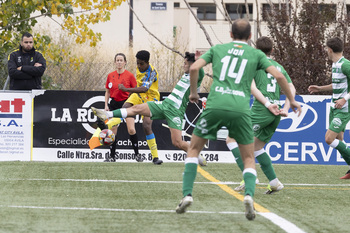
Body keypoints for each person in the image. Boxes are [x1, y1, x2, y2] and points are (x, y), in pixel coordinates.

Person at [175, 19, 301, 221]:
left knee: (194, 149)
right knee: (250, 157)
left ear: (231, 34)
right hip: (241, 109)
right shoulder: (256, 54)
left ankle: (187, 194)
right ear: (250, 37)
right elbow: (279, 76)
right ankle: (250, 195)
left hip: (215, 105)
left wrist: (193, 93)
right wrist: (291, 101)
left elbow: (193, 69)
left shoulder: (218, 49)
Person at [91, 52, 207, 166]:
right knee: (136, 108)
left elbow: (198, 69)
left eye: (185, 63)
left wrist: (198, 59)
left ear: (192, 65)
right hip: (165, 104)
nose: (183, 65)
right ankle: (107, 115)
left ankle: (195, 153)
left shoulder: (196, 75)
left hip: (174, 110)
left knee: (177, 142)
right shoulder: (185, 74)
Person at [226, 36, 296, 194]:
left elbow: (252, 88)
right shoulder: (278, 67)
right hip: (277, 113)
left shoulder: (254, 63)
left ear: (256, 49)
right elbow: (291, 88)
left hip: (263, 110)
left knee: (231, 138)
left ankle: (248, 174)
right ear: (272, 50)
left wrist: (266, 104)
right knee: (256, 147)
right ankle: (274, 182)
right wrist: (286, 107)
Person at [308, 37, 350, 179]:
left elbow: (345, 93)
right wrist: (320, 88)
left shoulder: (345, 65)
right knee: (340, 139)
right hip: (334, 107)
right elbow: (337, 86)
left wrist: (345, 99)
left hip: (344, 109)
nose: (327, 51)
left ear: (330, 50)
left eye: (327, 49)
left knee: (329, 139)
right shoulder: (335, 64)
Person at [115, 50, 162, 165]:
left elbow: (145, 88)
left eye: (141, 64)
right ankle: (110, 124)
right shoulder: (138, 67)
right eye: (138, 63)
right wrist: (131, 95)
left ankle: (155, 157)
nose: (139, 66)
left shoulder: (152, 72)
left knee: (146, 125)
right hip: (139, 95)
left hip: (151, 98)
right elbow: (139, 86)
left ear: (147, 62)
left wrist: (126, 90)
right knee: (125, 107)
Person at [102, 53, 137, 162]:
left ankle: (137, 155)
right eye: (117, 60)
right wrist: (106, 105)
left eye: (121, 60)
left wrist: (132, 102)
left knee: (131, 129)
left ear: (125, 62)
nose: (119, 62)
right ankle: (112, 156)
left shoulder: (130, 76)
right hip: (114, 104)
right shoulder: (110, 75)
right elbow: (107, 91)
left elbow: (136, 90)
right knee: (112, 130)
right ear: (115, 62)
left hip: (127, 104)